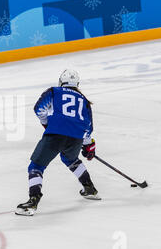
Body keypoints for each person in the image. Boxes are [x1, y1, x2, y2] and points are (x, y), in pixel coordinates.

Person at [16, 69, 99, 216]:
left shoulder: (54, 91)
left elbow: (39, 109)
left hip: (55, 135)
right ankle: (89, 188)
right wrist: (88, 145)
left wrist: (48, 124)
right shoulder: (84, 100)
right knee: (71, 159)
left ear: (61, 82)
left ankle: (33, 201)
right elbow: (88, 126)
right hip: (76, 137)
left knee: (36, 166)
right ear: (77, 84)